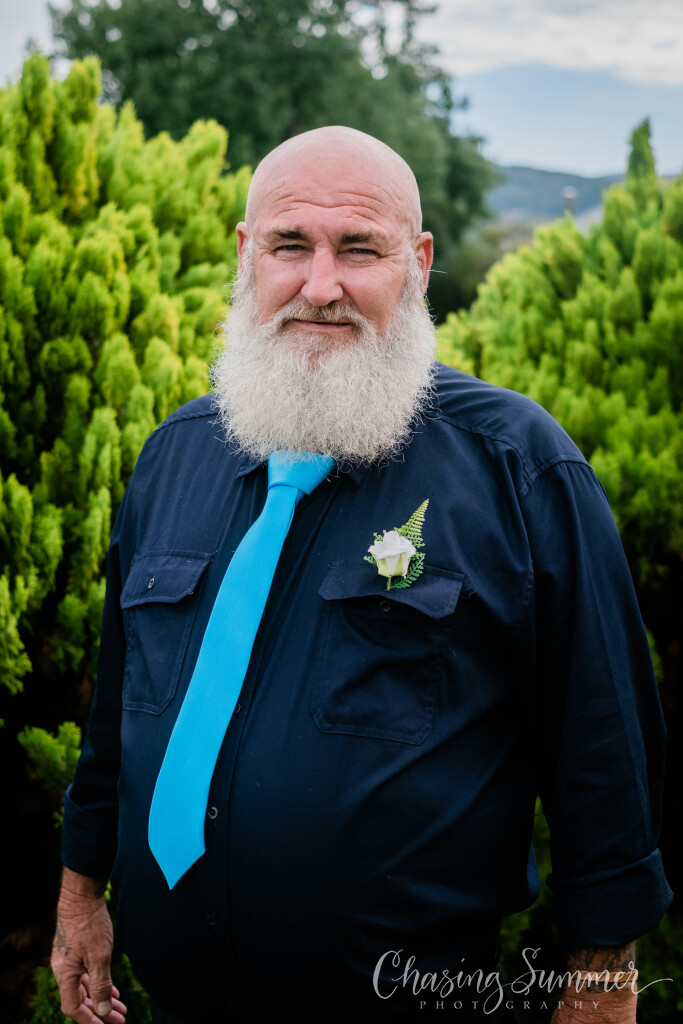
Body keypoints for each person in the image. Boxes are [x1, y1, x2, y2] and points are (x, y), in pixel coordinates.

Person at [52, 127, 672, 1024]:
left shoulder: (518, 467)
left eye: (358, 249)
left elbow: (603, 753)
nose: (320, 285)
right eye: (289, 245)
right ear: (246, 252)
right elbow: (120, 706)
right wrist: (80, 892)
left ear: (416, 263)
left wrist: (600, 988)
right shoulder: (173, 456)